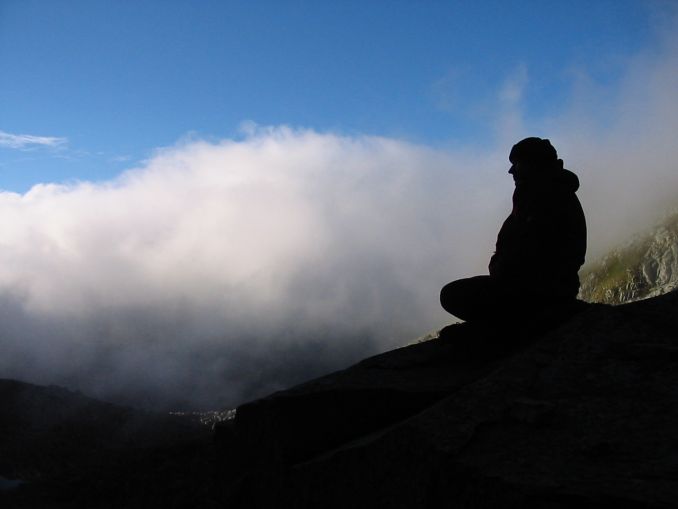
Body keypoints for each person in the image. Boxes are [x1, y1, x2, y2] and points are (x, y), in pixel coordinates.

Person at [440, 137, 587, 325]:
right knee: (456, 294)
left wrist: (502, 271)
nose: (511, 171)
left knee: (452, 295)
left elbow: (530, 255)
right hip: (533, 289)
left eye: (517, 164)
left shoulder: (548, 198)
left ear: (532, 164)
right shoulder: (539, 195)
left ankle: (516, 326)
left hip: (537, 293)